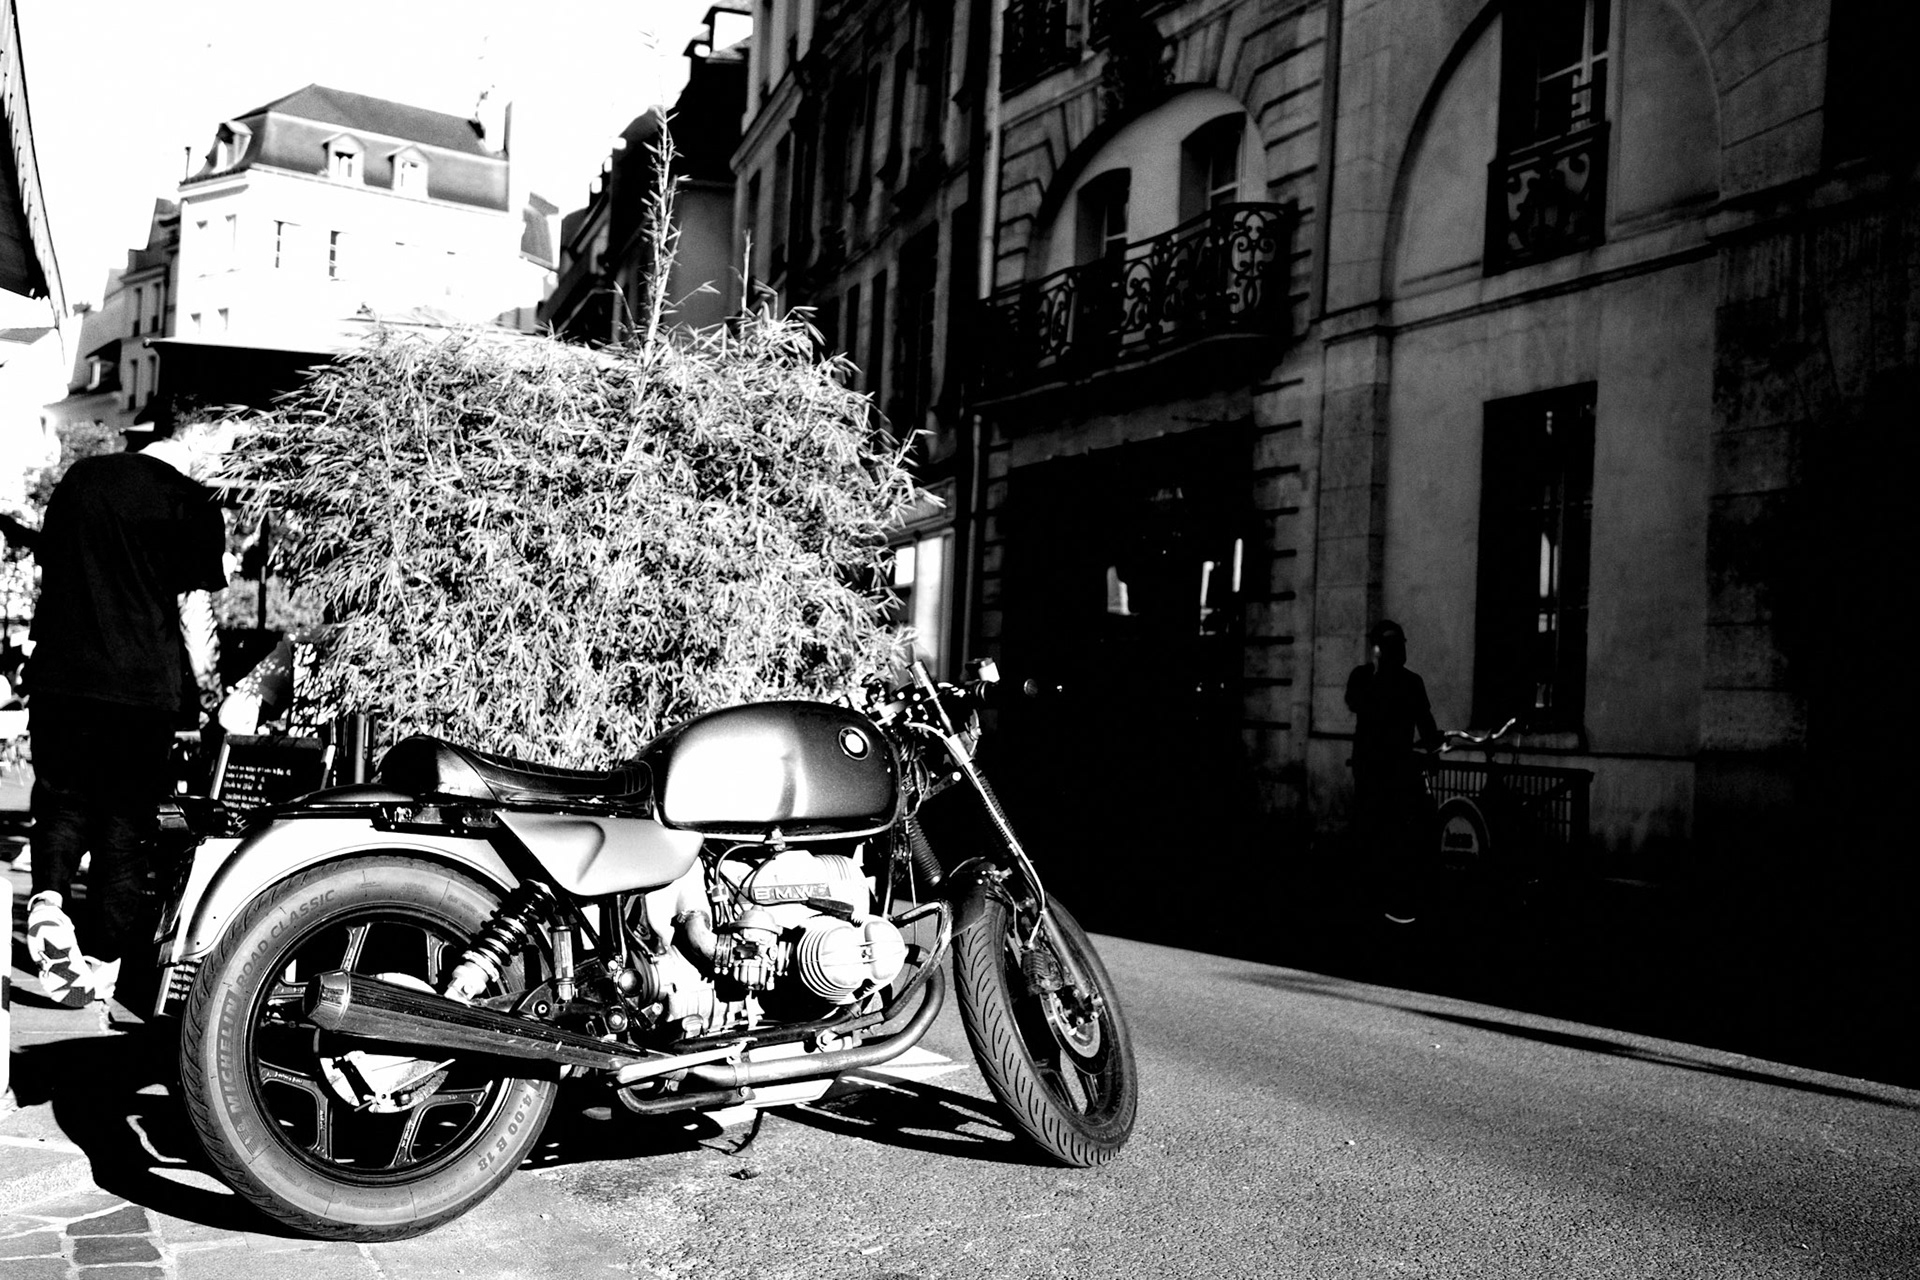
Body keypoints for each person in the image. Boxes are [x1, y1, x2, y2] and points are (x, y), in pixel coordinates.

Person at [23, 421, 230, 1007]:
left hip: (62, 677)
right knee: (124, 824)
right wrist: (211, 691)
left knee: (62, 799)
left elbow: (51, 574)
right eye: (229, 452)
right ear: (200, 435)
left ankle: (49, 900)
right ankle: (101, 961)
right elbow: (193, 611)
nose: (229, 470)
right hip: (141, 688)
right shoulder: (191, 503)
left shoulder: (82, 479)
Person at [1345, 619, 1442, 924]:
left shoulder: (1411, 682)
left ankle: (1392, 898)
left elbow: (1425, 721)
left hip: (1397, 769)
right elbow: (1355, 702)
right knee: (1373, 831)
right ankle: (1369, 898)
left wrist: (1433, 750)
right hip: (1372, 769)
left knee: (1397, 832)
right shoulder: (1365, 678)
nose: (1398, 651)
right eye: (1391, 645)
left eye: (1399, 645)